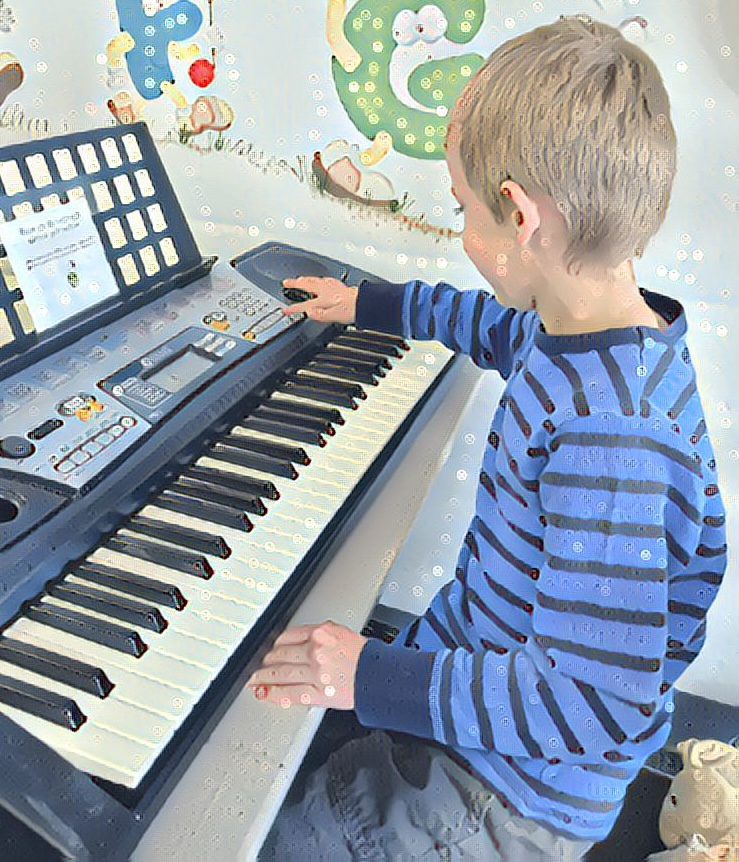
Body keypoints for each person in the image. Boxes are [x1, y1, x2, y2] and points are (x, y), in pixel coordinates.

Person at [247, 14, 728, 861]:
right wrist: (371, 303)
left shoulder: (613, 438)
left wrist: (371, 677)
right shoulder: (576, 325)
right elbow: (486, 323)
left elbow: (590, 701)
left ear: (517, 215)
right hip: (482, 705)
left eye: (462, 207)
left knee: (270, 840)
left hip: (504, 798)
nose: (462, 225)